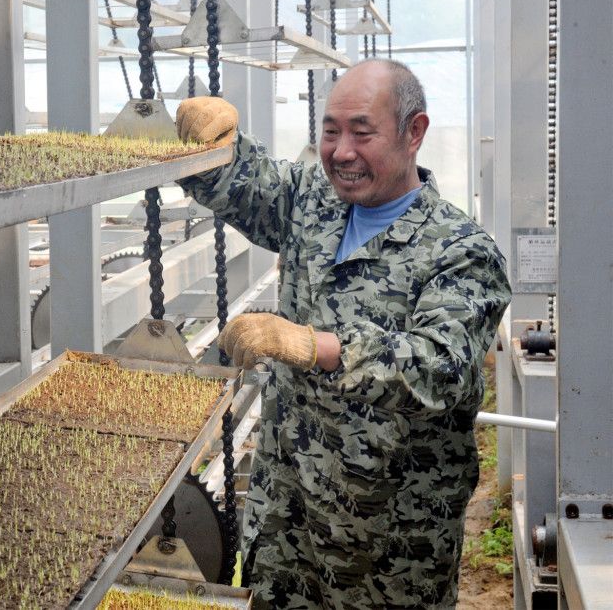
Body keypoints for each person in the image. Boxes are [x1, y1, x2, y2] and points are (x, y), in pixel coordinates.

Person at [176, 59, 511, 609]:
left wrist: (319, 347)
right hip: (287, 527)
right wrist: (212, 138)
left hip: (389, 552)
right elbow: (243, 182)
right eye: (330, 131)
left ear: (414, 132)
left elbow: (441, 366)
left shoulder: (460, 250)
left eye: (362, 131)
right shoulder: (314, 201)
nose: (342, 151)